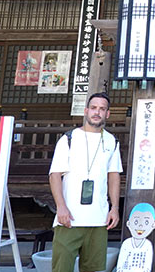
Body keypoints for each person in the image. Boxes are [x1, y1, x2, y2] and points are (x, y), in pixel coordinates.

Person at [49, 92, 123, 272]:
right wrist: (61, 207)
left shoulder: (111, 141)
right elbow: (55, 175)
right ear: (86, 111)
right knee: (62, 268)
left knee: (93, 268)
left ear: (108, 114)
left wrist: (114, 208)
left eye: (102, 109)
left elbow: (114, 176)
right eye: (94, 108)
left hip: (99, 218)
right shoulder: (69, 139)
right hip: (70, 218)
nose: (97, 112)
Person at [113, 203, 155, 272]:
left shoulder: (147, 245)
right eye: (136, 222)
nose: (140, 226)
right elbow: (121, 263)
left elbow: (147, 265)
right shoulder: (126, 243)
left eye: (146, 222)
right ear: (128, 223)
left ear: (153, 225)